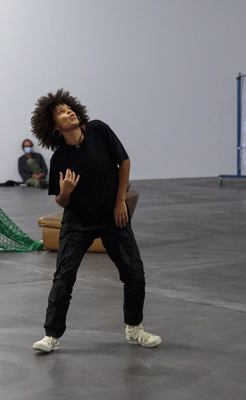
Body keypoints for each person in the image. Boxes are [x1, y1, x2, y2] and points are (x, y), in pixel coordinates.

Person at [30, 89, 161, 353]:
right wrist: (65, 192)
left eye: (69, 108)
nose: (69, 112)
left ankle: (134, 329)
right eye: (61, 112)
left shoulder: (99, 130)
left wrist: (120, 200)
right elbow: (61, 202)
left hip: (113, 217)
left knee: (134, 274)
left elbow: (124, 162)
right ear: (55, 127)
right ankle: (51, 336)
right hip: (78, 223)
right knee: (63, 279)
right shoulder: (59, 159)